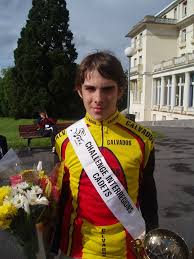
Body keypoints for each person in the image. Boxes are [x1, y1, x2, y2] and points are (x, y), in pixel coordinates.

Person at [47, 51, 158, 259]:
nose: (98, 99)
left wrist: (154, 238)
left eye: (107, 89)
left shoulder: (143, 140)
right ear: (79, 90)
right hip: (78, 249)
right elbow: (59, 198)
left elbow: (148, 195)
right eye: (90, 89)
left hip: (129, 249)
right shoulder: (64, 140)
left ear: (120, 91)